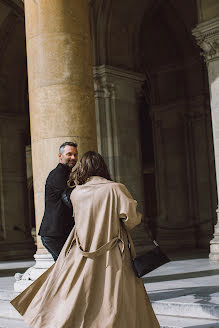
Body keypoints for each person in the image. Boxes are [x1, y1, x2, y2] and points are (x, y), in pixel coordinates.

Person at [11, 151, 160, 328]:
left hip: (81, 252)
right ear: (102, 167)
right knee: (114, 297)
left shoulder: (77, 193)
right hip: (113, 253)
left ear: (83, 169)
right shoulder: (115, 188)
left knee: (80, 294)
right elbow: (132, 219)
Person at [38, 141, 78, 261]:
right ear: (60, 156)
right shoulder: (59, 174)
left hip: (57, 232)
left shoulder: (66, 174)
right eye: (69, 154)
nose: (73, 157)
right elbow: (69, 199)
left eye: (75, 154)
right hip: (55, 234)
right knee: (69, 267)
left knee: (65, 270)